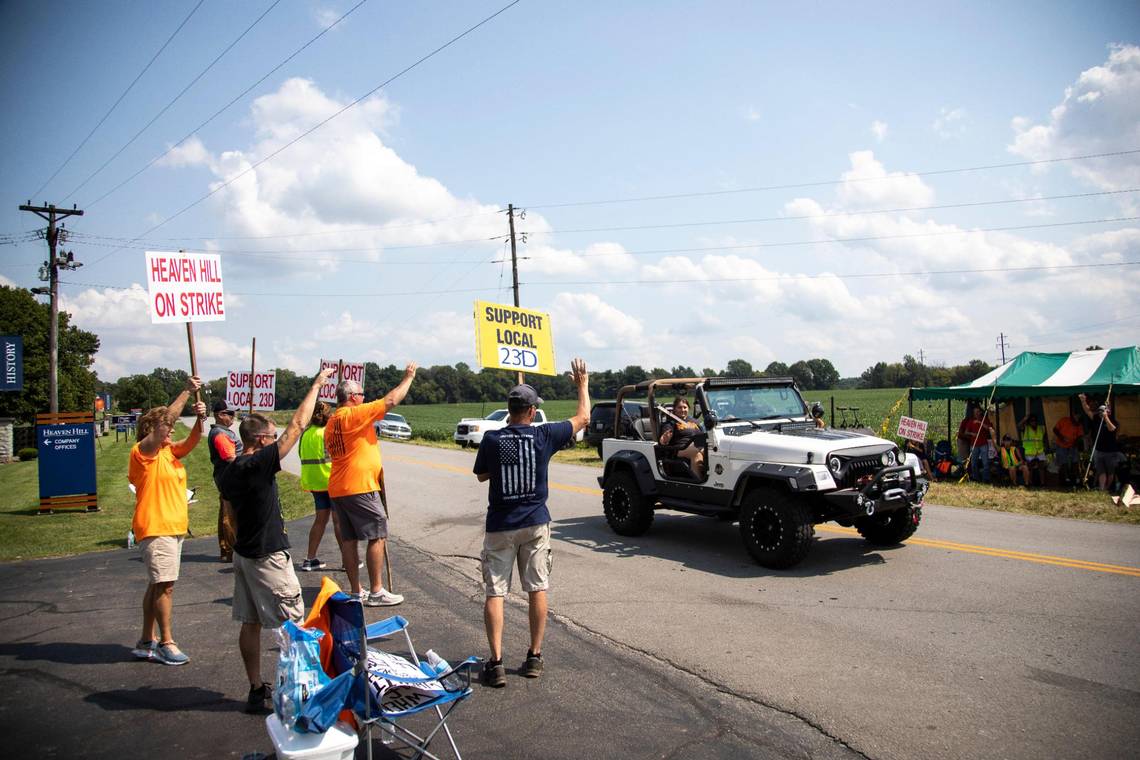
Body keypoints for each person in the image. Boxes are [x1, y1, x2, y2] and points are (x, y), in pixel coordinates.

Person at [219, 367, 336, 713]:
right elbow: (297, 427)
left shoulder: (231, 471)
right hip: (267, 556)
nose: (276, 440)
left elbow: (232, 511)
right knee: (295, 625)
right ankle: (301, 695)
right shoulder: (257, 464)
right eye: (271, 437)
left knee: (250, 622)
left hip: (245, 554)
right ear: (260, 441)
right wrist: (315, 384)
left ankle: (256, 688)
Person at [473, 359, 590, 688]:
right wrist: (581, 384)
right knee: (537, 588)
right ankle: (534, 656)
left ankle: (495, 662)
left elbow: (482, 475)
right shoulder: (544, 435)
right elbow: (583, 418)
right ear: (532, 410)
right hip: (535, 524)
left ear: (510, 410)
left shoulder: (493, 440)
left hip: (500, 525)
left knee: (496, 592)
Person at [128, 376, 207, 666]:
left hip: (172, 527)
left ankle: (146, 640)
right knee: (165, 586)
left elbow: (195, 440)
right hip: (156, 526)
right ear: (153, 429)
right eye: (168, 427)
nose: (172, 430)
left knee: (157, 584)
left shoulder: (169, 452)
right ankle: (166, 641)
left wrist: (200, 420)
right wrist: (187, 390)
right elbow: (165, 423)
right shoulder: (143, 454)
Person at [326, 363, 418, 606]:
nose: (364, 398)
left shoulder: (332, 421)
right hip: (359, 487)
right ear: (353, 397)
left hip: (339, 486)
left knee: (349, 539)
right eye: (362, 395)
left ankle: (357, 591)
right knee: (377, 534)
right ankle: (376, 591)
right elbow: (390, 401)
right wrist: (408, 378)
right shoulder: (352, 415)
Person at [299, 402, 342, 571]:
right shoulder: (327, 432)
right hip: (331, 480)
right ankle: (348, 560)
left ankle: (310, 559)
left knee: (320, 520)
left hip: (314, 482)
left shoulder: (306, 434)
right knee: (339, 522)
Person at [208, 400, 242, 562]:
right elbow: (230, 457)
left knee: (226, 513)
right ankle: (231, 550)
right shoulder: (221, 434)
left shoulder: (223, 432)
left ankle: (226, 548)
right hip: (230, 479)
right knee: (230, 517)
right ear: (221, 415)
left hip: (227, 477)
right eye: (230, 413)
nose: (233, 416)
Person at [1079, 393, 1125, 492]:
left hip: (1110, 451)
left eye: (1102, 412)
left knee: (1110, 473)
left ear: (1107, 412)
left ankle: (1107, 488)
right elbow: (1088, 411)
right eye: (1099, 412)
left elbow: (1112, 429)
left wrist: (1106, 418)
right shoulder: (1096, 419)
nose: (1100, 414)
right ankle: (1102, 489)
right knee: (1101, 471)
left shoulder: (1112, 421)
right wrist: (1083, 401)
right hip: (1099, 451)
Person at [659, 396, 705, 479]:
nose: (682, 410)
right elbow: (663, 441)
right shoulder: (670, 423)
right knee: (696, 453)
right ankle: (699, 482)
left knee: (712, 451)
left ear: (688, 408)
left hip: (698, 446)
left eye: (685, 407)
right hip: (679, 450)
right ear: (674, 409)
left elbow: (703, 435)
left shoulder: (694, 421)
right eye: (679, 407)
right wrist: (665, 438)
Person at [962, 405, 996, 483]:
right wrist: (972, 434)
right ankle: (975, 478)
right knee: (973, 462)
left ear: (980, 412)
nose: (976, 414)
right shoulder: (971, 421)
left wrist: (980, 423)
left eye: (977, 412)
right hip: (974, 444)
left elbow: (989, 428)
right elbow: (966, 432)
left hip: (984, 444)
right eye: (974, 412)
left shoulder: (985, 420)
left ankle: (986, 479)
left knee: (985, 462)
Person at [1052, 407, 1085, 487]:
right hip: (1061, 445)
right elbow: (1055, 429)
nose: (1078, 418)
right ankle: (1066, 479)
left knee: (1075, 461)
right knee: (1064, 462)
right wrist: (1062, 438)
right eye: (1077, 416)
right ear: (1073, 415)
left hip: (1072, 446)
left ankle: (1077, 479)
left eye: (1079, 417)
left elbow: (1080, 436)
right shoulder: (1064, 420)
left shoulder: (1079, 425)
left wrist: (1074, 444)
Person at [1018, 412, 1048, 486]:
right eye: (1031, 421)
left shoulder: (1041, 428)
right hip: (1029, 452)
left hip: (1040, 451)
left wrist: (1045, 447)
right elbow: (1019, 426)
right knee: (1030, 468)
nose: (1033, 422)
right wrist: (1024, 419)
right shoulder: (1026, 428)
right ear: (1029, 422)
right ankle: (1030, 482)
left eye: (1035, 420)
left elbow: (1044, 439)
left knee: (1041, 467)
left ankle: (1042, 483)